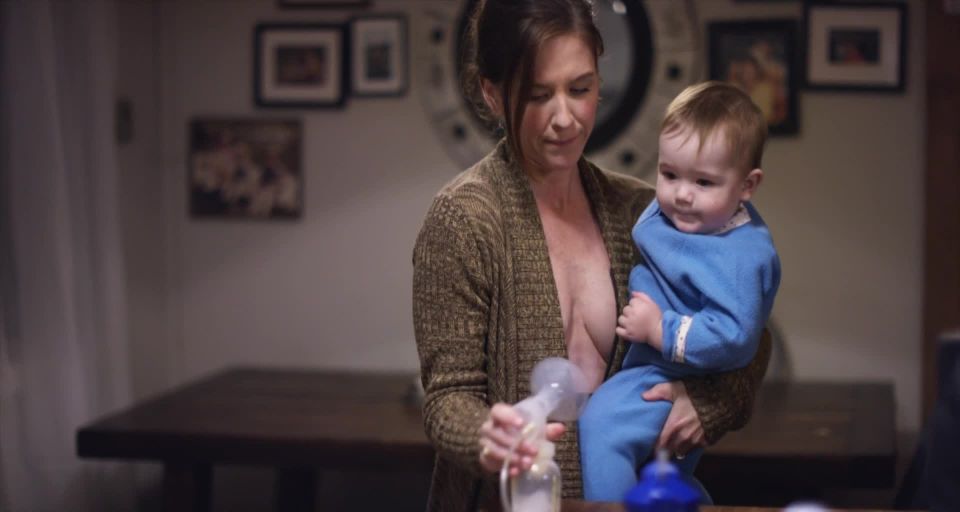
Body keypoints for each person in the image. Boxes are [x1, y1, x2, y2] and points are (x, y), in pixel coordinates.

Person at [412, 2, 771, 510]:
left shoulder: (643, 213)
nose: (565, 118)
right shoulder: (464, 220)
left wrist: (709, 403)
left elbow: (750, 335)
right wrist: (484, 434)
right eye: (538, 95)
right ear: (492, 94)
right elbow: (447, 399)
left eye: (580, 89)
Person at [578, 81, 781, 501]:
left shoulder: (741, 257)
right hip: (656, 368)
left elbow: (736, 336)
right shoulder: (683, 213)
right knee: (664, 481)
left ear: (747, 186)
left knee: (602, 426)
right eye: (669, 174)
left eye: (704, 182)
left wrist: (660, 329)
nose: (682, 195)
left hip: (674, 373)